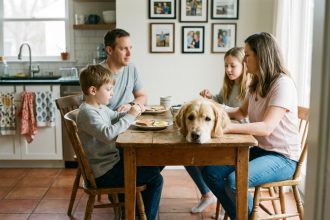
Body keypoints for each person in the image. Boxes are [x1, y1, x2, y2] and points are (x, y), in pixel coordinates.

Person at [201, 32, 300, 219]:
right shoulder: (255, 83)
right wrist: (211, 110)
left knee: (234, 181)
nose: (244, 59)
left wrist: (227, 128)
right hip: (260, 149)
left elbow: (266, 127)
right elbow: (240, 113)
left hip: (283, 157)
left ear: (261, 55)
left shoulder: (282, 84)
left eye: (247, 54)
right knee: (210, 172)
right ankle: (241, 216)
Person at [77, 64, 163, 220]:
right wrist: (130, 116)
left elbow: (115, 117)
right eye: (108, 89)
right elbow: (108, 134)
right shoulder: (88, 113)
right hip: (103, 173)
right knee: (156, 178)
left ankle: (133, 209)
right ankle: (145, 216)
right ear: (93, 90)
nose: (112, 93)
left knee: (153, 162)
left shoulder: (99, 107)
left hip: (110, 162)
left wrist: (133, 110)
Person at [186, 47, 249, 215]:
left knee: (203, 161)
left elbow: (240, 113)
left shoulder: (249, 87)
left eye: (233, 66)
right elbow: (220, 101)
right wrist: (211, 98)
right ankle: (208, 194)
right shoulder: (230, 84)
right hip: (224, 133)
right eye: (226, 65)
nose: (228, 70)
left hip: (239, 137)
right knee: (188, 154)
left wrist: (217, 106)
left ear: (244, 65)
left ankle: (226, 201)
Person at [100, 28, 147, 112]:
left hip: (126, 119)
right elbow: (92, 109)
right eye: (123, 49)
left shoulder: (131, 68)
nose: (129, 53)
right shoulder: (97, 73)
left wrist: (130, 105)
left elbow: (142, 96)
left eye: (130, 48)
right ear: (109, 50)